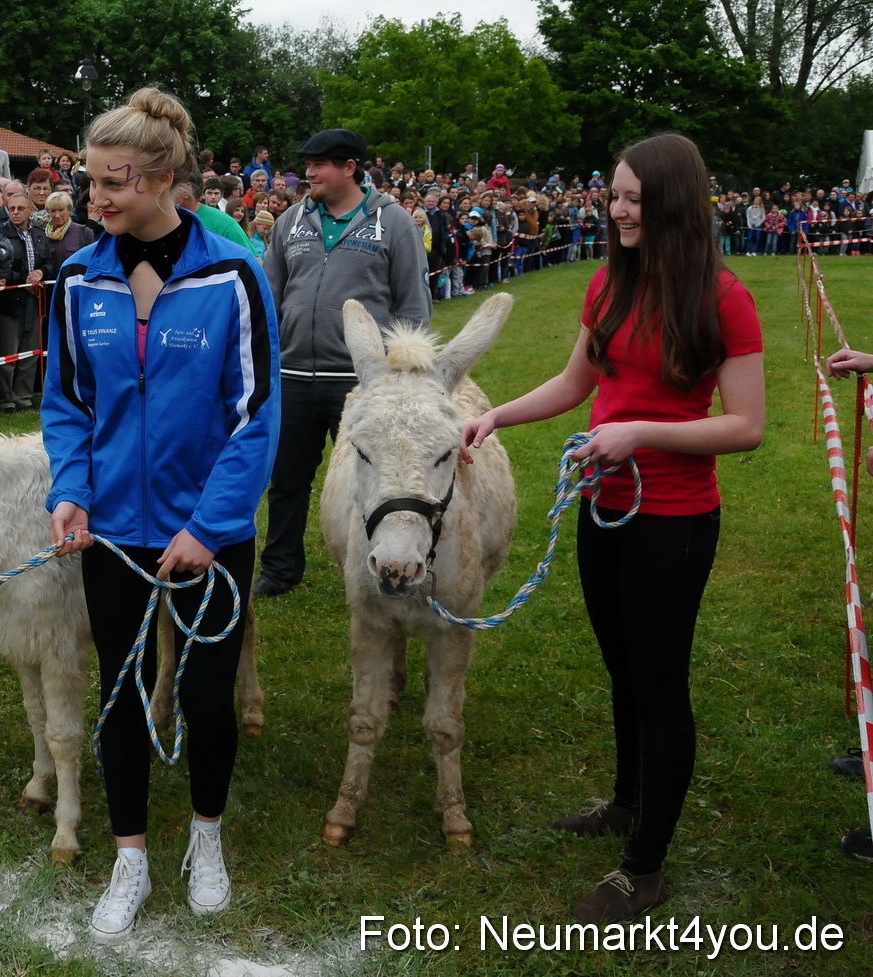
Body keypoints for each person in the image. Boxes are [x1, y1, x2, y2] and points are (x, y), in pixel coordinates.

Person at [463, 133, 764, 921]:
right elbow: (573, 382)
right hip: (605, 507)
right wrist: (495, 413)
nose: (618, 210)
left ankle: (644, 866)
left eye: (633, 198)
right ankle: (628, 802)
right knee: (621, 670)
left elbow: (745, 426)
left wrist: (639, 431)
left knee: (660, 687)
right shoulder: (609, 285)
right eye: (614, 195)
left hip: (673, 519)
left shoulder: (723, 299)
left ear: (672, 202)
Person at [41, 87, 279, 943]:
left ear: (164, 179)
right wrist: (69, 488)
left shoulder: (231, 273)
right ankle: (131, 853)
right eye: (91, 182)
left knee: (208, 700)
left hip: (205, 537)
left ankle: (205, 837)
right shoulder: (76, 276)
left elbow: (255, 416)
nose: (95, 201)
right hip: (111, 530)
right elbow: (66, 402)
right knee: (125, 694)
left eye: (112, 184)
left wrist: (208, 527)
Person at [256, 128, 429, 599]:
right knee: (286, 480)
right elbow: (271, 295)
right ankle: (279, 569)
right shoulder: (291, 220)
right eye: (306, 163)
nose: (307, 172)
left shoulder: (394, 223)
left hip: (359, 381)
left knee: (368, 480)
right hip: (291, 375)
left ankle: (373, 564)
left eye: (319, 164)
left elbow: (413, 306)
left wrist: (404, 379)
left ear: (350, 168)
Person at [0, 185, 49, 411]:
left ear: (30, 210)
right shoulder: (2, 233)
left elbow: (49, 262)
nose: (15, 212)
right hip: (10, 302)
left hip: (34, 301)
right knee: (8, 353)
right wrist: (23, 281)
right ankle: (5, 398)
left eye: (20, 208)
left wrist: (41, 273)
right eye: (11, 208)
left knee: (30, 352)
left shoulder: (39, 234)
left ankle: (23, 395)